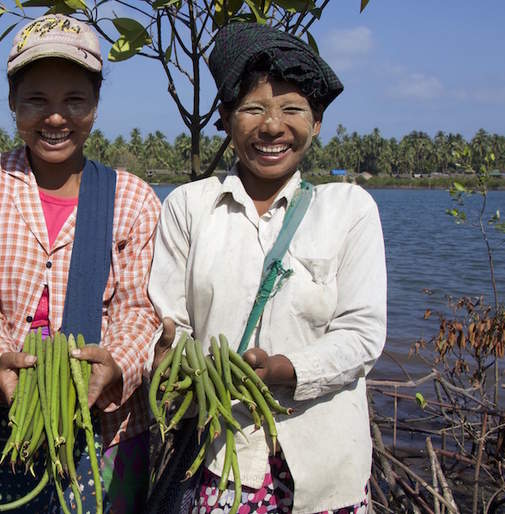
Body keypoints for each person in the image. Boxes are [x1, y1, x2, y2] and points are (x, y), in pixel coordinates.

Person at [147, 23, 386, 513]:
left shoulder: (349, 210)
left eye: (292, 109)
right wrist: (170, 360)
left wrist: (287, 370)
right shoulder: (190, 207)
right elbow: (171, 322)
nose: (273, 126)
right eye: (254, 108)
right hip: (224, 459)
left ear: (316, 123)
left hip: (326, 469)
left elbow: (362, 334)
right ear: (228, 119)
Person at [0, 14, 161, 513]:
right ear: (13, 103)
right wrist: (1, 360)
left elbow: (139, 309)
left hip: (105, 423)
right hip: (0, 417)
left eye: (74, 101)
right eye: (37, 99)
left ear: (95, 106)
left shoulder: (131, 198)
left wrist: (116, 365)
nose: (55, 117)